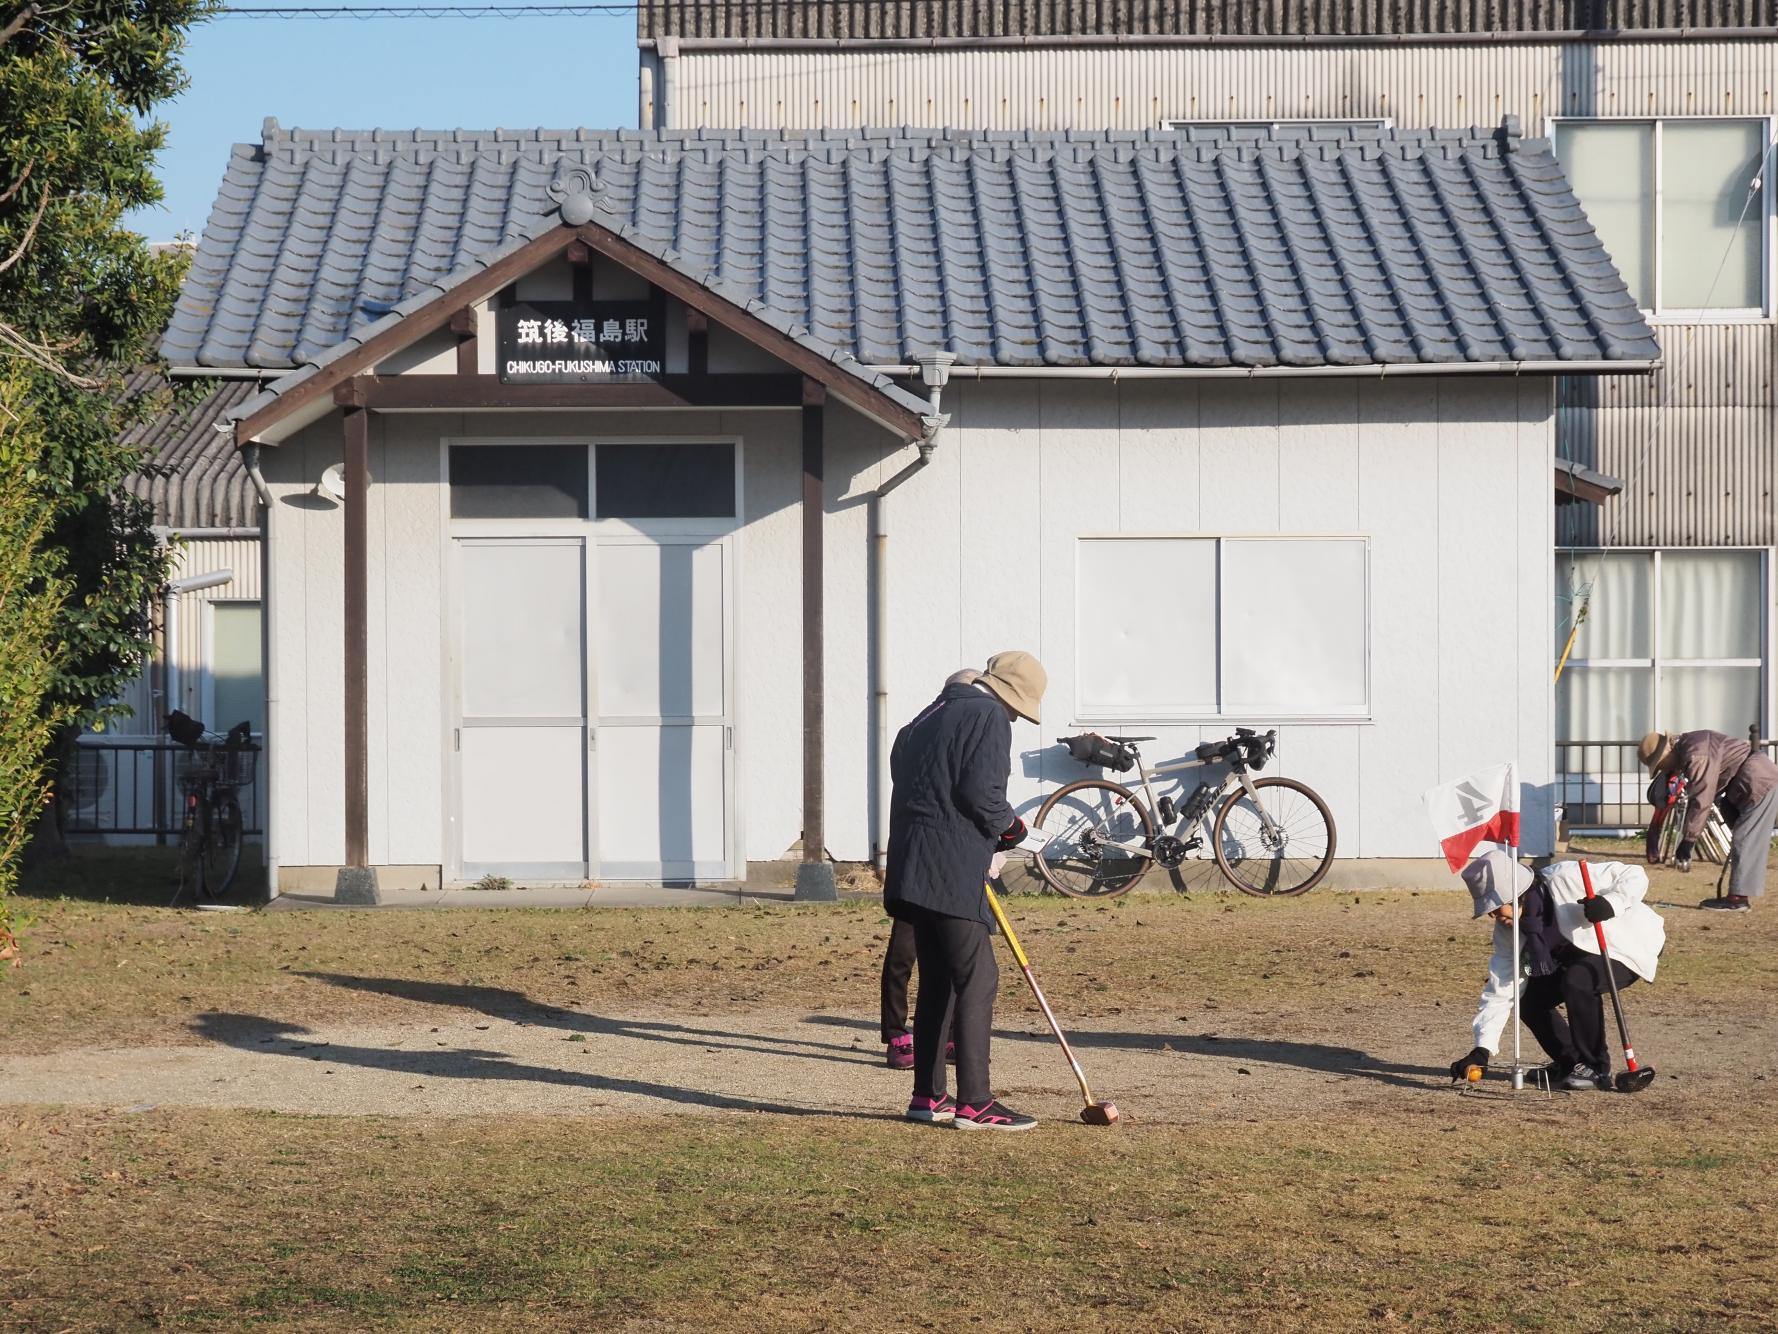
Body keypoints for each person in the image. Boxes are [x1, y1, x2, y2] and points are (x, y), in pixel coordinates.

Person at [884, 650, 1045, 1130]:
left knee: (939, 980)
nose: (1015, 715)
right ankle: (976, 1101)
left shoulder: (923, 718)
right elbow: (981, 793)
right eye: (1019, 706)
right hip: (952, 869)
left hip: (910, 866)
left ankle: (928, 1098)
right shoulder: (989, 715)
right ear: (1007, 694)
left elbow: (913, 780)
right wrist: (1013, 832)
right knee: (978, 977)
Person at [1449, 850, 1665, 1092]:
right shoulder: (1507, 931)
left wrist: (1610, 903)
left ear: (1517, 895)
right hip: (1574, 956)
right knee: (1529, 999)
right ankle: (1571, 1063)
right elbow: (1501, 988)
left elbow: (1634, 875)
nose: (1492, 915)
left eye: (1496, 906)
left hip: (1626, 944)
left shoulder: (1567, 876)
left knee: (1577, 980)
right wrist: (1482, 1049)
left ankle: (1595, 1068)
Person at [880, 667, 980, 1069]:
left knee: (957, 949)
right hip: (919, 856)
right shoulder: (914, 731)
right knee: (906, 946)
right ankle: (896, 1032)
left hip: (957, 856)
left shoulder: (973, 730)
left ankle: (949, 1033)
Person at [1640, 729, 1777, 913]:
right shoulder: (1691, 745)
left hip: (1758, 781)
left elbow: (1701, 798)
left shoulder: (1696, 754)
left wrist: (1688, 840)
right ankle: (1737, 896)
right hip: (1748, 781)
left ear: (1667, 752)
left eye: (1661, 765)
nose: (1664, 770)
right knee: (1743, 838)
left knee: (1745, 839)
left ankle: (1738, 899)